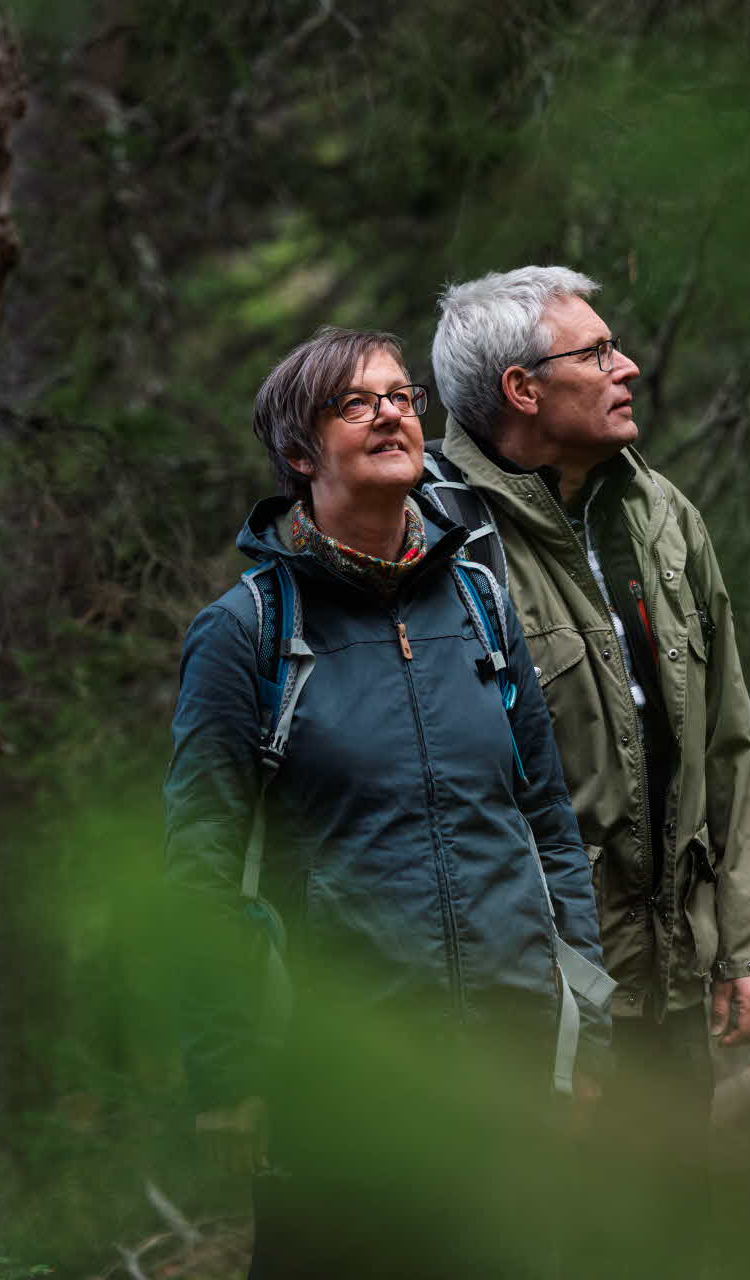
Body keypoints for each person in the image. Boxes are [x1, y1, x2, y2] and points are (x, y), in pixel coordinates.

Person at [162, 325, 609, 1277]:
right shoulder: (246, 632)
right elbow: (198, 867)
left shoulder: (482, 605)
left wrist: (586, 1030)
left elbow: (549, 829)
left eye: (403, 396)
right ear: (297, 452)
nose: (392, 414)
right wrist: (227, 1075)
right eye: (356, 402)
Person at [427, 267, 750, 1132]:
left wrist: (747, 948)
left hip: (672, 986)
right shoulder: (437, 539)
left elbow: (727, 742)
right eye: (597, 352)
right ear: (522, 388)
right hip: (532, 1009)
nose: (627, 367)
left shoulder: (662, 514)